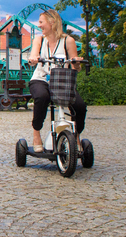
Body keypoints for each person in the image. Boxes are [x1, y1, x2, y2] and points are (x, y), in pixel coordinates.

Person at [27, 9, 87, 152]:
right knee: (42, 97)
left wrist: (76, 62)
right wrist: (33, 59)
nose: (39, 25)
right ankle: (36, 134)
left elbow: (75, 68)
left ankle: (76, 135)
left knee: (80, 106)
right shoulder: (39, 40)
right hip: (41, 79)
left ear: (52, 22)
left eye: (41, 22)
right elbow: (33, 56)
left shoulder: (68, 41)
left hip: (62, 80)